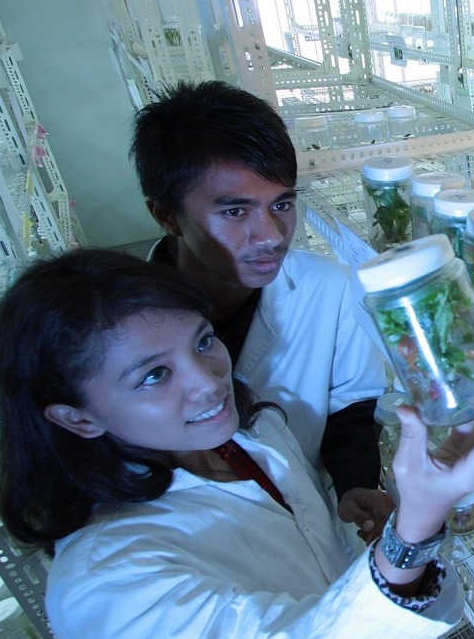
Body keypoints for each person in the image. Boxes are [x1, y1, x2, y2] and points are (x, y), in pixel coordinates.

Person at [0, 249, 474, 639]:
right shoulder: (101, 588)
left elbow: (306, 565)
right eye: (154, 374)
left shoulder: (248, 434)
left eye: (202, 341)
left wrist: (371, 525)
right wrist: (413, 528)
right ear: (77, 417)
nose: (209, 380)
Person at [131, 80, 390, 535]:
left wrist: (355, 485)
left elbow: (349, 406)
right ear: (166, 215)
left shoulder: (329, 289)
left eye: (282, 203)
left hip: (313, 520)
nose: (271, 234)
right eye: (235, 211)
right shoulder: (124, 334)